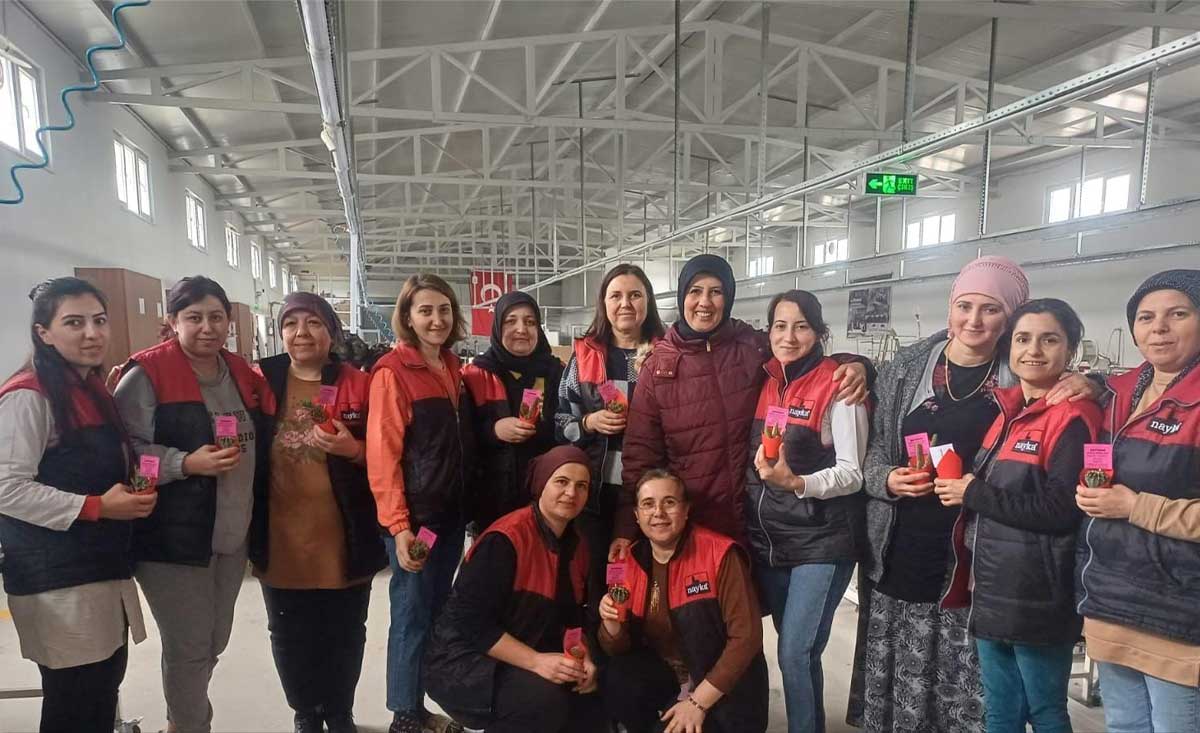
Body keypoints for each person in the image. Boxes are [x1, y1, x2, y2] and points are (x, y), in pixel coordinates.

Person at [849, 256, 1098, 732]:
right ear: (950, 308)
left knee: (980, 689)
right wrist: (885, 479)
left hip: (980, 555)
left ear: (1012, 318)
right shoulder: (908, 366)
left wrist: (1096, 383)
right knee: (905, 671)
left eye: (991, 310)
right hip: (902, 545)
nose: (974, 320)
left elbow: (1082, 407)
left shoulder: (1024, 373)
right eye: (965, 305)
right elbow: (876, 445)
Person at [618, 254, 870, 557]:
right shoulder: (658, 366)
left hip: (752, 522)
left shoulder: (751, 346)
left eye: (716, 292)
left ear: (729, 297)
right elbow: (639, 457)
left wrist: (859, 366)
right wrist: (627, 527)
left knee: (747, 604)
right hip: (690, 521)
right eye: (695, 291)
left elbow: (798, 353)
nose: (705, 302)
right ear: (683, 296)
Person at [933, 298, 1101, 733]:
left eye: (1050, 340)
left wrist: (974, 491)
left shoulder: (1073, 417)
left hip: (1039, 593)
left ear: (1071, 350)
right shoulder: (1010, 412)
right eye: (1023, 339)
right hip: (994, 585)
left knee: (1044, 711)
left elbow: (1060, 510)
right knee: (1001, 710)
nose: (1035, 350)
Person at [114, 275, 272, 733]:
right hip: (173, 540)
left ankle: (178, 721)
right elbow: (125, 456)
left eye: (216, 317)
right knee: (190, 648)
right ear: (172, 321)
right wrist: (185, 463)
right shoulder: (146, 375)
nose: (207, 327)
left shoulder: (240, 371)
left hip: (231, 534)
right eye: (194, 317)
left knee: (213, 641)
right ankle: (189, 726)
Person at [0, 277, 156, 733]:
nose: (92, 333)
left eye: (99, 320)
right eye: (74, 323)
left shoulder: (90, 388)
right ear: (43, 332)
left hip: (98, 568)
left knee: (101, 689)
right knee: (74, 702)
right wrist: (96, 507)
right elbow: (7, 487)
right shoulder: (30, 396)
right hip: (57, 577)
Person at [251, 292, 387, 733]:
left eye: (313, 323)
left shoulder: (359, 383)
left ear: (331, 331)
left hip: (344, 535)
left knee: (346, 632)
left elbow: (389, 454)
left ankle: (339, 709)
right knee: (289, 635)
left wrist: (354, 450)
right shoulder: (261, 381)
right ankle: (306, 711)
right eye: (291, 324)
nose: (301, 333)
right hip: (280, 535)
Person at [1075, 269, 1200, 733]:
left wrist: (1136, 507)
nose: (1159, 328)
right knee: (1124, 724)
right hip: (1110, 597)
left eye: (1178, 314)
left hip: (1178, 612)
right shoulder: (1118, 393)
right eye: (1146, 317)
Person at [745, 290, 869, 733]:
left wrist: (798, 484)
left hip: (822, 539)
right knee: (801, 649)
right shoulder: (765, 380)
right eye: (780, 325)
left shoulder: (838, 384)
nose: (789, 335)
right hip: (773, 540)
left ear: (818, 332)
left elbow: (852, 473)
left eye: (801, 326)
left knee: (794, 651)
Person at [424, 445, 606, 733]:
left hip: (523, 648)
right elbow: (471, 624)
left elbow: (573, 617)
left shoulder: (579, 544)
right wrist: (536, 662)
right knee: (543, 701)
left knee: (590, 697)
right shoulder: (505, 539)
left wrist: (583, 657)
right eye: (561, 482)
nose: (572, 493)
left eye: (581, 485)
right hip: (464, 662)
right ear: (540, 484)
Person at [367, 273, 471, 733]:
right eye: (425, 310)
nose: (436, 319)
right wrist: (398, 525)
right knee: (410, 614)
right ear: (407, 317)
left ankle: (419, 702)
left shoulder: (451, 366)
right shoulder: (393, 373)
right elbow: (383, 455)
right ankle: (403, 713)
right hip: (417, 521)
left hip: (447, 519)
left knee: (432, 610)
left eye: (444, 310)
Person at [599, 469, 768, 733]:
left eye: (669, 502)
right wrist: (611, 623)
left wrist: (697, 703)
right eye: (648, 504)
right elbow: (620, 650)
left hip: (722, 685)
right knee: (618, 676)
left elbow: (747, 638)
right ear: (636, 515)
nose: (658, 512)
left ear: (686, 509)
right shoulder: (629, 560)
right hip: (670, 676)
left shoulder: (720, 554)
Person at [556, 263, 665, 618]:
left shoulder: (666, 355)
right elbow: (559, 422)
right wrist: (588, 421)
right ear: (603, 303)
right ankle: (599, 656)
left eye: (635, 294)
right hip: (595, 494)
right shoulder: (585, 356)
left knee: (649, 582)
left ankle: (645, 663)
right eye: (615, 295)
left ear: (648, 300)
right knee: (597, 581)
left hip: (650, 494)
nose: (625, 304)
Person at [463, 290, 565, 531]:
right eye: (511, 321)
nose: (521, 329)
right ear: (498, 327)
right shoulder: (475, 374)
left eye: (530, 322)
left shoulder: (556, 372)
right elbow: (460, 438)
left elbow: (568, 428)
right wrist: (493, 430)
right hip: (491, 501)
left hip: (545, 500)